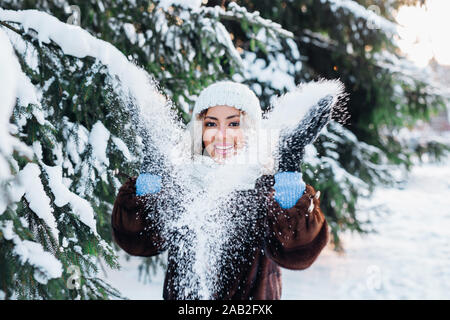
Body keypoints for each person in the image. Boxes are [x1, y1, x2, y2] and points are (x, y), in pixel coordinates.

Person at [111, 81, 329, 299]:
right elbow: (139, 241)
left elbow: (297, 253)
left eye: (234, 124)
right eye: (211, 124)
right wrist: (152, 162)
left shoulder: (269, 188)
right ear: (200, 129)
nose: (221, 135)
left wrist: (290, 162)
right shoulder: (181, 183)